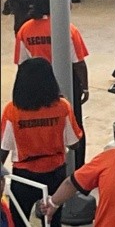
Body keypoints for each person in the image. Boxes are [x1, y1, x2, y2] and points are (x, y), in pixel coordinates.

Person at [0, 59, 83, 227]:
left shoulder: (12, 110)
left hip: (23, 176)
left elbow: (3, 149)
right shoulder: (62, 107)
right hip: (55, 174)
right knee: (52, 219)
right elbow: (75, 144)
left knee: (18, 220)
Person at [14, 0, 89, 165]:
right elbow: (78, 63)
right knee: (74, 126)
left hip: (36, 82)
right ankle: (77, 168)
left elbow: (21, 64)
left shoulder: (25, 29)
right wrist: (84, 87)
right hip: (66, 82)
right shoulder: (68, 28)